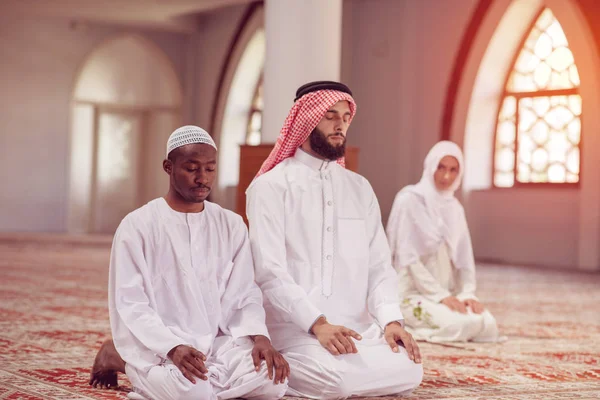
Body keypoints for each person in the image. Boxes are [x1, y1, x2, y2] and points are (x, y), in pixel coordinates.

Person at [246, 81, 423, 399]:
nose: (340, 123)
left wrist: (391, 321)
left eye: (345, 116)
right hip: (298, 330)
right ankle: (286, 362)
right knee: (338, 382)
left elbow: (379, 266)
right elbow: (269, 272)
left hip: (357, 330)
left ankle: (324, 370)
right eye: (329, 115)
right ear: (306, 119)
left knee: (412, 369)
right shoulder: (271, 188)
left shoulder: (359, 188)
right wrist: (317, 324)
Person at [89, 125, 289, 400]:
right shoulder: (138, 226)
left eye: (210, 169)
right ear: (168, 167)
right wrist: (172, 347)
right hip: (160, 344)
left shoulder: (230, 224)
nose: (202, 178)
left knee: (274, 383)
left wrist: (260, 337)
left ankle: (206, 384)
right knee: (192, 393)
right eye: (192, 168)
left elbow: (244, 293)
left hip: (217, 343)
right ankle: (120, 358)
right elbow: (131, 303)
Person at [386, 140, 500, 343]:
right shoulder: (409, 200)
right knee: (459, 325)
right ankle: (405, 325)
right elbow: (408, 260)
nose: (446, 176)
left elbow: (465, 259)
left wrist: (467, 294)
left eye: (453, 170)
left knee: (488, 325)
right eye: (441, 167)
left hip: (448, 293)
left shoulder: (454, 207)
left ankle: (446, 315)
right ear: (430, 166)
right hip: (412, 293)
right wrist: (439, 296)